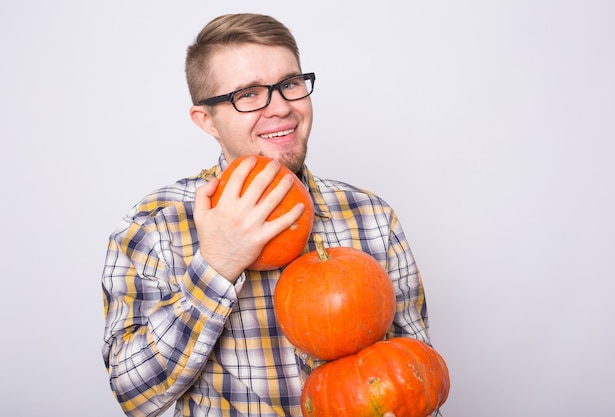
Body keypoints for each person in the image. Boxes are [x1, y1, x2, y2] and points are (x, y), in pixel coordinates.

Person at [102, 13, 441, 417]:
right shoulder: (155, 225)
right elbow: (134, 393)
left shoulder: (371, 215)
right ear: (206, 119)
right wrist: (217, 264)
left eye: (290, 84)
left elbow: (413, 375)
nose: (280, 107)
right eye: (248, 94)